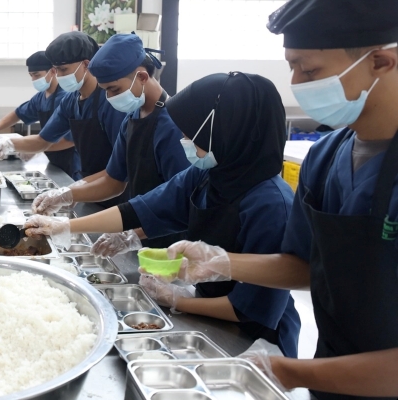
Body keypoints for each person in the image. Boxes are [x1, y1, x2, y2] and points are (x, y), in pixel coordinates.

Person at [159, 0, 398, 398]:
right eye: (291, 67)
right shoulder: (326, 158)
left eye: (310, 70)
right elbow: (303, 265)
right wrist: (221, 262)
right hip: (334, 372)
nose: (297, 83)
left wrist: (289, 371)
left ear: (381, 62)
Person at [24, 72, 301, 358]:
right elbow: (141, 209)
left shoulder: (271, 205)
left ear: (225, 132)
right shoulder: (207, 175)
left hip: (256, 342)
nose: (183, 140)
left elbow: (249, 310)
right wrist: (64, 226)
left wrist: (176, 300)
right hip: (210, 317)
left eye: (189, 134)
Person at [32, 33, 190, 250]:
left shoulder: (173, 126)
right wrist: (65, 195)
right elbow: (113, 180)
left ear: (142, 77)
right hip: (138, 230)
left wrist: (133, 235)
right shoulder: (132, 118)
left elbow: (180, 204)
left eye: (114, 89)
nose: (109, 97)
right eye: (105, 91)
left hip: (170, 244)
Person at [0, 32, 129, 208]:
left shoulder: (110, 102)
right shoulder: (71, 100)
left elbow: (122, 168)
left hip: (119, 193)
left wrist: (74, 189)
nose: (59, 75)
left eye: (63, 70)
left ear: (86, 65)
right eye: (56, 69)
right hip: (92, 190)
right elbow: (42, 141)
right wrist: (8, 144)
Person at [0, 51, 80, 179]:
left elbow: (69, 140)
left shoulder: (66, 98)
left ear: (53, 71)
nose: (34, 79)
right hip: (54, 162)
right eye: (31, 75)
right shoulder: (41, 98)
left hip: (72, 163)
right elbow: (18, 113)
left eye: (37, 75)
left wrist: (36, 147)